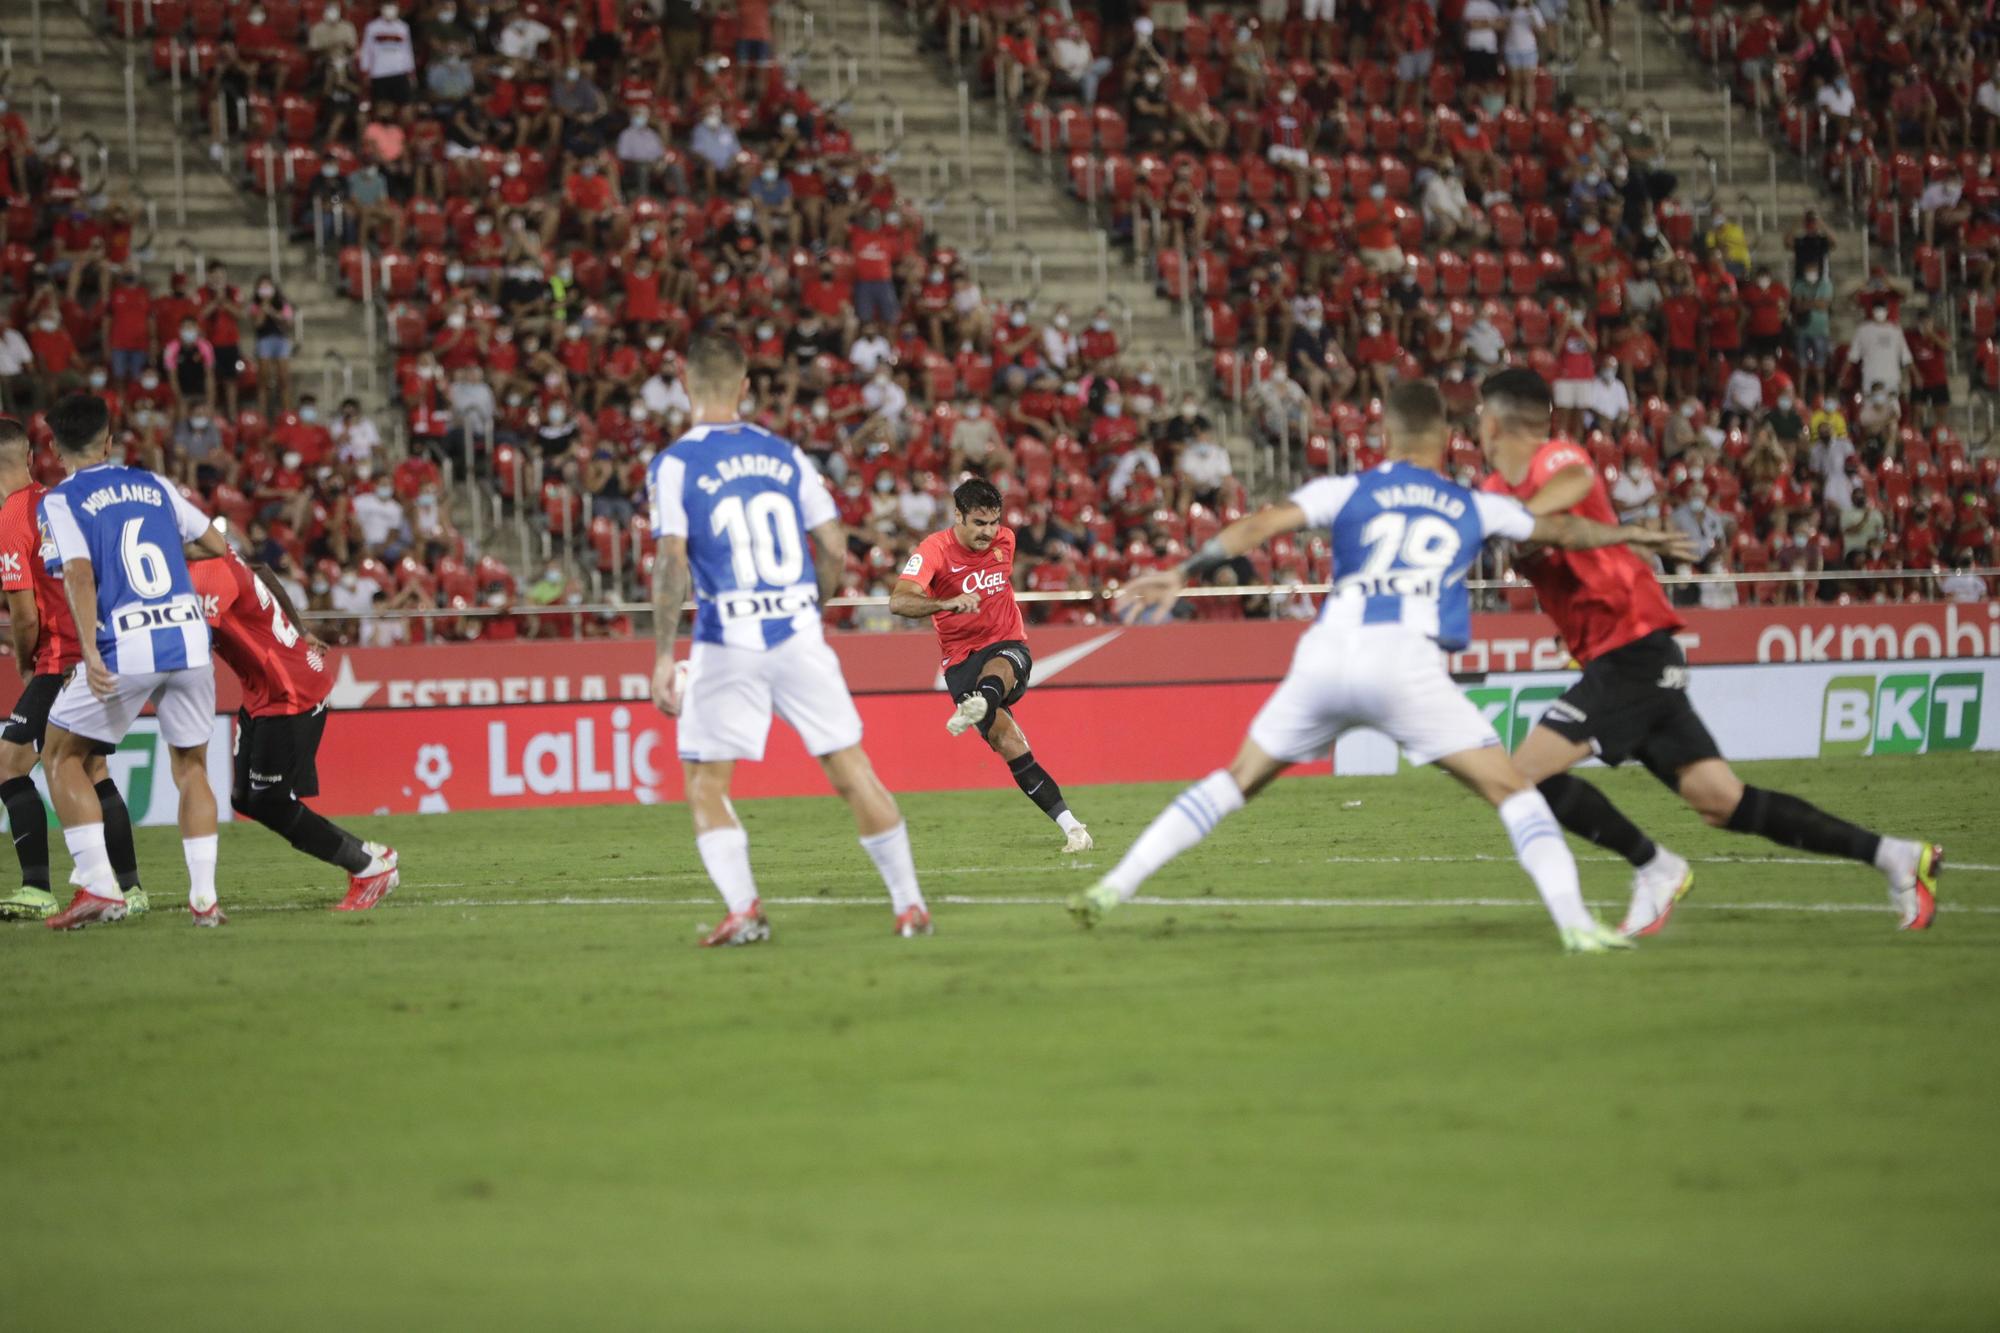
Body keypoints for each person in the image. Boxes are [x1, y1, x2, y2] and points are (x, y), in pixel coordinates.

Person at [1069, 380, 1691, 952]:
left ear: (1385, 436)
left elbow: (1260, 524)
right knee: (1512, 790)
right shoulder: (1472, 504)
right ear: (1446, 440)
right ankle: (1576, 923)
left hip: (1327, 655)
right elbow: (1561, 531)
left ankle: (1115, 886)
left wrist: (1182, 571)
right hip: (1406, 666)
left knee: (1234, 782)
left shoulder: (1345, 489)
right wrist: (1631, 537)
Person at [1475, 368, 1943, 937]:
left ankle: (1656, 867)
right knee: (1723, 802)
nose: (1476, 428)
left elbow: (1570, 487)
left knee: (1522, 777)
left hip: (1635, 648)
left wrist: (1513, 524)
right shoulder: (1495, 494)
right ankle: (1894, 855)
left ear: (1496, 422)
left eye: (1479, 417)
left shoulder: (1556, 459)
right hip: (1626, 654)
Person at [647, 335, 932, 945]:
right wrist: (810, 607)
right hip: (800, 632)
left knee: (706, 781)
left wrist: (662, 656)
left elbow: (671, 562)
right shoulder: (787, 455)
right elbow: (833, 546)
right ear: (746, 387)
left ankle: (746, 909)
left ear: (683, 379)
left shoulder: (674, 464)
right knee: (852, 770)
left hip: (727, 641)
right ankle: (910, 907)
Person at [36, 395, 233, 928]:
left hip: (128, 643)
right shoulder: (156, 485)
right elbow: (214, 543)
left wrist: (91, 652)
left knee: (59, 754)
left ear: (54, 449)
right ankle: (204, 900)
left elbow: (77, 574)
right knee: (192, 766)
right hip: (190, 638)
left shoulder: (59, 499)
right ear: (108, 440)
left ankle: (100, 885)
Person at [890, 477, 1093, 856]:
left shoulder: (1007, 540)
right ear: (958, 517)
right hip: (960, 661)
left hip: (1006, 645)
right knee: (1008, 742)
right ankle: (1074, 830)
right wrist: (946, 603)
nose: (988, 532)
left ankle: (981, 700)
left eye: (993, 522)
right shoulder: (933, 550)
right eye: (978, 523)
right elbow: (899, 602)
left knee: (998, 669)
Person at [191, 541, 399, 911]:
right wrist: (299, 630)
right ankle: (368, 853)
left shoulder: (204, 575)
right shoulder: (221, 556)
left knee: (270, 799)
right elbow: (265, 574)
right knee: (246, 799)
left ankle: (368, 869)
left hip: (288, 692)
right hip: (264, 691)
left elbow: (195, 642)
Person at [0, 418, 146, 920]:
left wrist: (25, 660)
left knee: (8, 765)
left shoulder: (14, 516)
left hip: (58, 657)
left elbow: (22, 613)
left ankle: (37, 887)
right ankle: (130, 890)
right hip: (97, 651)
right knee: (92, 766)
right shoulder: (57, 503)